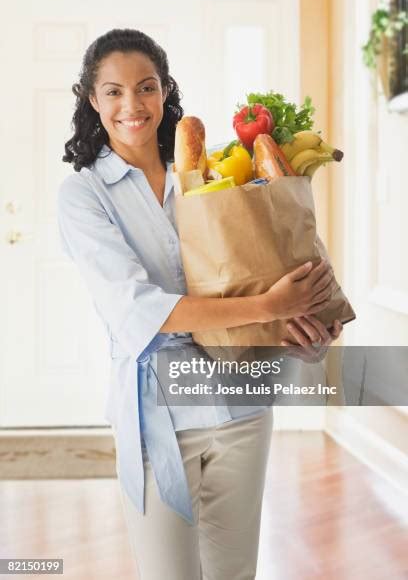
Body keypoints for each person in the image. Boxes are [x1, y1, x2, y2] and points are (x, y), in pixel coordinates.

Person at [57, 28, 342, 580]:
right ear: (93, 100)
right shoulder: (84, 194)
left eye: (146, 87)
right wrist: (267, 306)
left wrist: (307, 323)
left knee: (235, 573)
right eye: (113, 92)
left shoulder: (214, 172)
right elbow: (140, 309)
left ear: (165, 92)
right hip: (160, 417)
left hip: (242, 402)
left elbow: (270, 263)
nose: (132, 105)